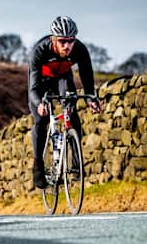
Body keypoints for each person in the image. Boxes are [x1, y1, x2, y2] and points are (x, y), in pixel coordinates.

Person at [28, 15, 101, 189]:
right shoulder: (39, 50)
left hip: (62, 78)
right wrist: (39, 103)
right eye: (62, 41)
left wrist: (91, 97)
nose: (67, 46)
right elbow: (33, 88)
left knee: (71, 110)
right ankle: (38, 165)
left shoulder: (80, 50)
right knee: (41, 120)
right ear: (54, 40)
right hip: (41, 83)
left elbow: (86, 74)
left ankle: (76, 164)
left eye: (70, 41)